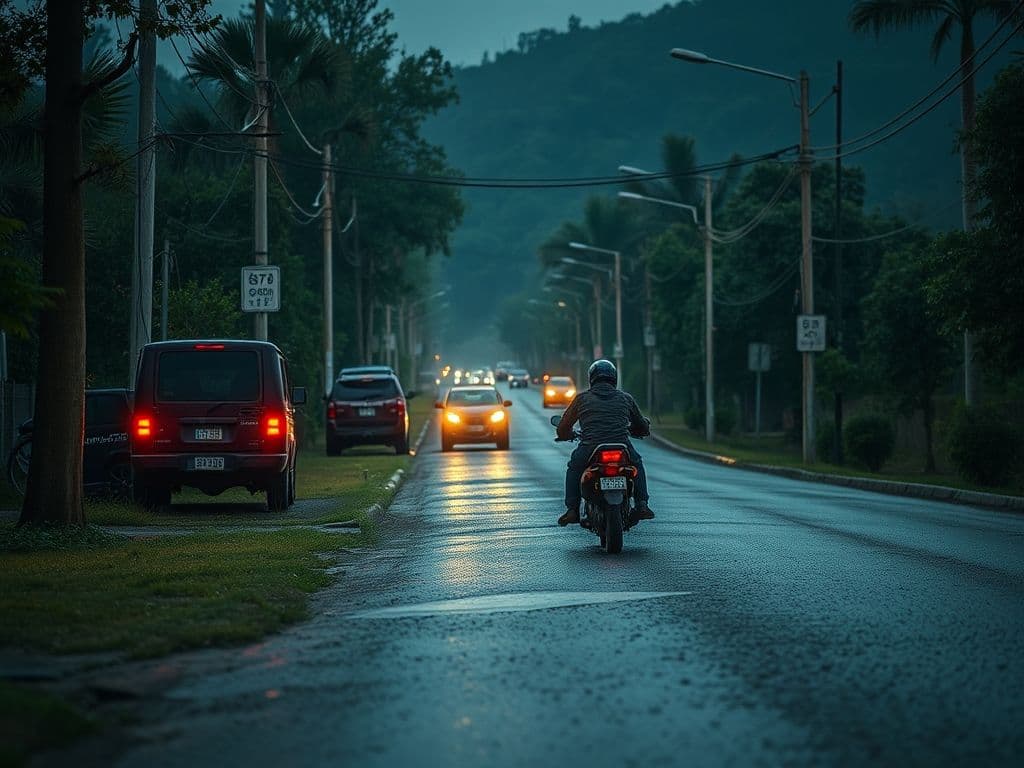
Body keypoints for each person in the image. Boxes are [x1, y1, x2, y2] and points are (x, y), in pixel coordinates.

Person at [556, 359, 655, 526]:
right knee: (637, 463)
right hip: (621, 445)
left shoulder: (582, 399)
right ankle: (642, 505)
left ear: (592, 378)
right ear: (614, 378)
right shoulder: (625, 398)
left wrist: (566, 434)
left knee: (574, 467)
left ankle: (572, 510)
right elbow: (642, 426)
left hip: (590, 446)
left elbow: (563, 427)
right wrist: (640, 429)